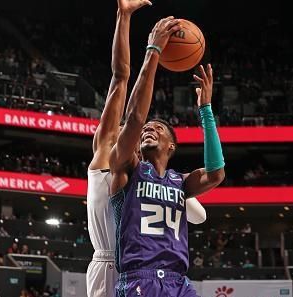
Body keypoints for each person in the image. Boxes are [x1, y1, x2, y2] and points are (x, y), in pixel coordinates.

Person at [109, 18, 225, 296]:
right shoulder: (127, 168)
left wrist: (206, 110)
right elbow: (136, 117)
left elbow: (216, 173)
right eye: (146, 128)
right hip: (139, 279)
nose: (149, 128)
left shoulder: (180, 182)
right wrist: (153, 51)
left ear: (171, 146)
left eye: (158, 128)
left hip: (178, 282)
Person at [85, 0, 151, 297]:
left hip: (139, 267)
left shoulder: (144, 176)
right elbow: (120, 77)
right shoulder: (105, 156)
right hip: (108, 265)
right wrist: (123, 17)